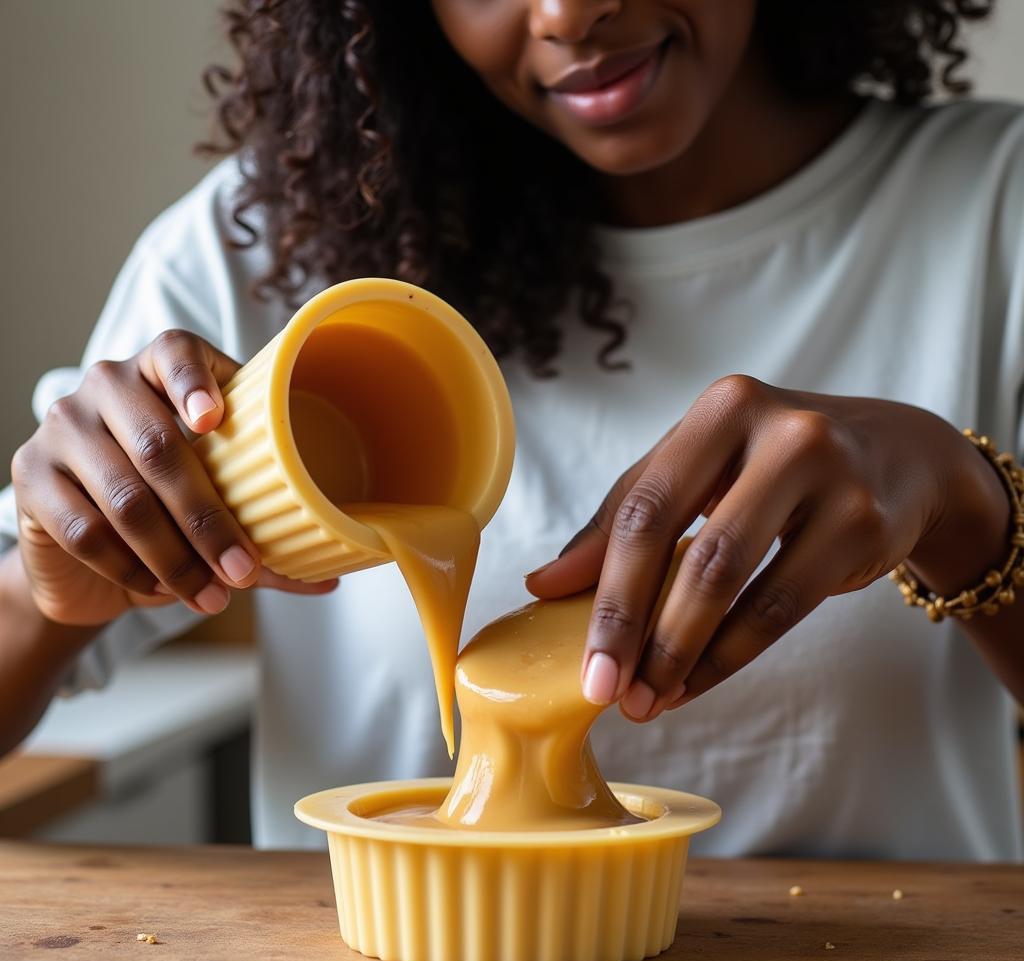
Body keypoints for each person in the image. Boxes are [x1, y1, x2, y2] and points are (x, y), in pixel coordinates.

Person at [1, 0, 1022, 858]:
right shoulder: (267, 247)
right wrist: (43, 597)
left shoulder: (992, 208)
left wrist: (969, 512)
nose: (568, 12)